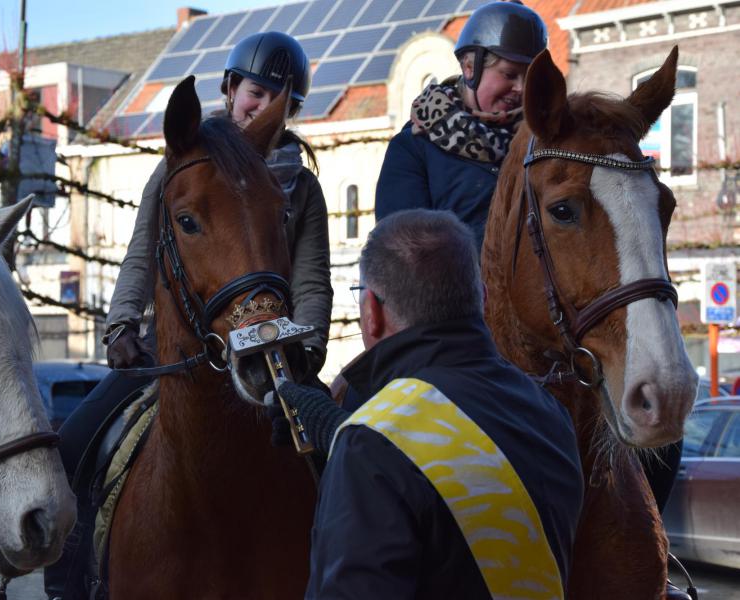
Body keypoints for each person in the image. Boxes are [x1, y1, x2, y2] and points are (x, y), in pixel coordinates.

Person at [44, 31, 333, 599]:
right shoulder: (176, 168)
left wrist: (308, 349)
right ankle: (69, 584)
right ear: (230, 88)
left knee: (340, 455)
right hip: (174, 349)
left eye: (280, 101)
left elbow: (311, 281)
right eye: (256, 93)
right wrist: (122, 324)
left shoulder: (302, 188)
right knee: (75, 442)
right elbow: (139, 255)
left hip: (273, 351)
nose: (263, 108)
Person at [277, 209, 583, 598]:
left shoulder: (375, 444)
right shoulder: (548, 411)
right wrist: (343, 442)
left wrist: (355, 451)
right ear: (482, 298)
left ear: (371, 312)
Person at [374, 0, 547, 250]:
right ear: (469, 67)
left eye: (529, 77)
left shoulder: (545, 144)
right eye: (509, 74)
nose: (521, 88)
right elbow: (401, 250)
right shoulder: (412, 150)